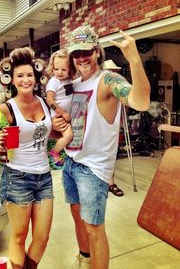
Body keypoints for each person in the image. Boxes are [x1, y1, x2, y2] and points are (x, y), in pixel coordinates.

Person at [53, 25, 150, 269]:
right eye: (76, 53)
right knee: (77, 217)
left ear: (97, 51)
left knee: (94, 228)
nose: (81, 58)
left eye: (86, 51)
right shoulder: (73, 85)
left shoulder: (108, 80)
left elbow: (141, 101)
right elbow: (74, 124)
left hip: (93, 169)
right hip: (71, 162)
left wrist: (134, 59)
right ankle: (84, 260)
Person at [0, 47, 54, 269]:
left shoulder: (44, 103)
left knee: (42, 238)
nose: (26, 80)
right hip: (17, 177)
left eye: (29, 75)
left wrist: (60, 130)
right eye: (20, 76)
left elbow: (45, 133)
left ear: (36, 77)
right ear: (12, 80)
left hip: (44, 177)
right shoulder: (5, 109)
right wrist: (1, 148)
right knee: (19, 236)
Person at [46, 49, 76, 167]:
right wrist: (62, 113)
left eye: (64, 69)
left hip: (66, 115)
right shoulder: (54, 82)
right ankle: (54, 152)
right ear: (52, 68)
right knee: (69, 136)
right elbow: (49, 99)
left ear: (70, 69)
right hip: (58, 115)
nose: (59, 72)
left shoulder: (69, 80)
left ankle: (64, 152)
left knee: (69, 136)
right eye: (56, 69)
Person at [103, 59, 124, 197]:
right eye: (109, 71)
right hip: (98, 127)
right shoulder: (98, 86)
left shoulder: (118, 86)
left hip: (112, 127)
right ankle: (101, 181)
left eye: (114, 71)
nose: (112, 73)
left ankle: (111, 183)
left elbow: (124, 107)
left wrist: (122, 121)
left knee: (111, 154)